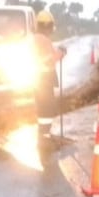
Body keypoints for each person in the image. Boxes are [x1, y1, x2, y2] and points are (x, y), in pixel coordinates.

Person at [33, 10, 67, 148]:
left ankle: (43, 136)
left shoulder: (35, 38)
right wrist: (61, 52)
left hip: (38, 78)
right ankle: (44, 139)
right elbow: (49, 60)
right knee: (46, 110)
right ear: (48, 25)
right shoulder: (43, 40)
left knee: (42, 109)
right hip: (44, 78)